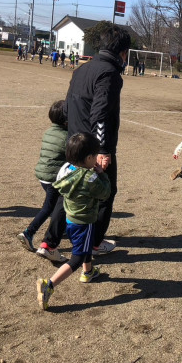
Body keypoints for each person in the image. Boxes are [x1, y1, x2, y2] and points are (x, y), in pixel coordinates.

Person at [59, 24, 131, 254]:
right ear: (123, 52)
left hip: (74, 142)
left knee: (72, 189)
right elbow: (100, 115)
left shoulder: (82, 69)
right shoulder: (110, 74)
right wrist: (102, 150)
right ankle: (94, 242)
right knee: (105, 192)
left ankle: (53, 239)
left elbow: (67, 106)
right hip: (93, 147)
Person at [36, 132, 111, 310]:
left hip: (70, 220)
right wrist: (102, 174)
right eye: (95, 155)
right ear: (89, 158)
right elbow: (105, 193)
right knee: (77, 257)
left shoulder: (67, 170)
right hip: (84, 221)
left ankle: (88, 271)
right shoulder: (90, 178)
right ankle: (49, 285)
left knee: (84, 247)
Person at [17, 100, 68, 255]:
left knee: (56, 205)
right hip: (53, 178)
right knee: (49, 207)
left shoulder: (49, 132)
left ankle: (62, 228)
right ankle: (29, 232)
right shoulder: (66, 137)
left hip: (43, 176)